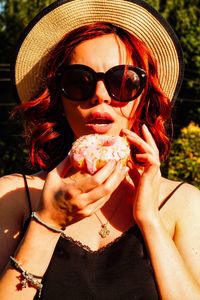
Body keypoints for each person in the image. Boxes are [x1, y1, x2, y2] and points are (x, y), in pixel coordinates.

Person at [0, 0, 200, 299]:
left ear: (144, 97)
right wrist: (49, 221)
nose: (100, 96)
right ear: (58, 99)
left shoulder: (182, 203)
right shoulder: (12, 197)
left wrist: (149, 218)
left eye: (123, 82)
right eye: (78, 82)